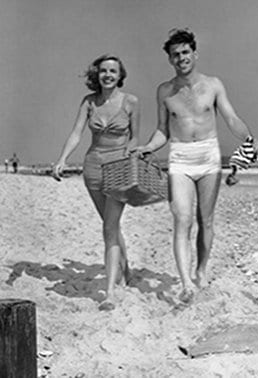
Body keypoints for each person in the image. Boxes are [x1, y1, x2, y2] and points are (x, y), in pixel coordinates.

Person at [135, 28, 258, 304]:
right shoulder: (165, 91)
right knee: (182, 218)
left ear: (194, 53)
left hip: (208, 157)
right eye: (175, 55)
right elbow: (162, 131)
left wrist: (248, 137)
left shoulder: (213, 84)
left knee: (206, 220)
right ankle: (186, 282)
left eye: (185, 52)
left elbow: (231, 117)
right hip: (179, 157)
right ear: (170, 59)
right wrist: (147, 147)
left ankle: (201, 271)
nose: (181, 58)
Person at [53, 54, 140, 311]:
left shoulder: (131, 102)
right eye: (103, 71)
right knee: (110, 225)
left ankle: (110, 292)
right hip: (92, 169)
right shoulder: (89, 102)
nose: (108, 75)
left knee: (109, 229)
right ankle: (126, 271)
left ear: (120, 74)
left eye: (113, 71)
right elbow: (77, 132)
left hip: (119, 168)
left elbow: (134, 139)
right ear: (97, 74)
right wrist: (62, 159)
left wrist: (129, 160)